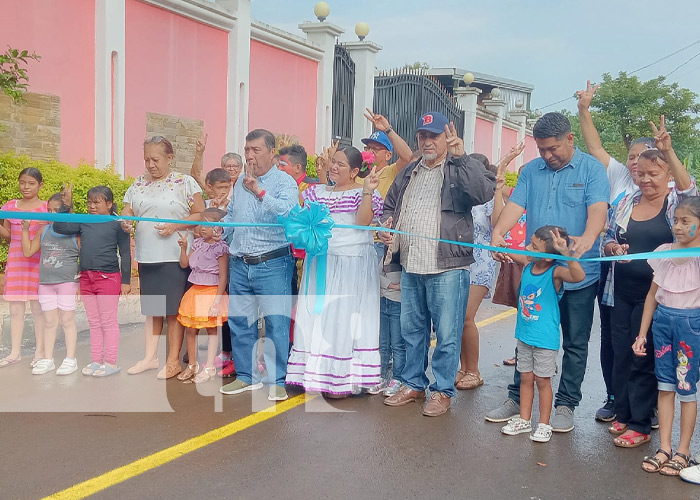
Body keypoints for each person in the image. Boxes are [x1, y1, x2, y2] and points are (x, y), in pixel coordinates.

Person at [486, 112, 609, 432]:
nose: (547, 155)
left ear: (570, 139)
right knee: (529, 333)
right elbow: (515, 206)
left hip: (577, 273)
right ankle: (517, 398)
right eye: (541, 149)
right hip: (537, 271)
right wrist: (499, 231)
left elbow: (598, 210)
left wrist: (588, 237)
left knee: (575, 342)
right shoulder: (531, 171)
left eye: (553, 148)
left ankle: (566, 404)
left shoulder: (592, 169)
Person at [379, 111, 496, 417]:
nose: (427, 140)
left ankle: (442, 391)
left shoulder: (459, 167)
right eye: (423, 135)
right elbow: (389, 205)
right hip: (411, 262)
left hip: (447, 266)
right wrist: (385, 224)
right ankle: (414, 384)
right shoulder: (410, 171)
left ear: (447, 137)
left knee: (446, 333)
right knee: (413, 331)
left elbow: (483, 193)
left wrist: (460, 158)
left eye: (434, 135)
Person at [602, 117, 696, 448]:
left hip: (658, 297)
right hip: (620, 294)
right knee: (622, 355)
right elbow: (607, 240)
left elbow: (691, 191)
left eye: (653, 174)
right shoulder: (626, 202)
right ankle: (625, 414)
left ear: (667, 175)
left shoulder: (676, 205)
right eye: (640, 174)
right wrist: (612, 247)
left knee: (643, 357)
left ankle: (642, 424)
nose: (645, 180)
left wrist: (668, 152)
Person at [577, 79, 652, 422]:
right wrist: (584, 108)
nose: (635, 163)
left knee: (646, 338)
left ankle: (644, 406)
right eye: (631, 157)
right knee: (611, 336)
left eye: (643, 157)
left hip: (654, 283)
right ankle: (614, 397)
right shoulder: (621, 179)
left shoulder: (666, 192)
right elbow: (595, 147)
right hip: (613, 275)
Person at [286, 147, 383, 397]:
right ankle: (315, 373)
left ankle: (341, 378)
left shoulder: (364, 192)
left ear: (354, 171)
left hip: (351, 264)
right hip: (320, 262)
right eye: (333, 162)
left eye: (340, 164)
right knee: (318, 315)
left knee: (343, 316)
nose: (334, 167)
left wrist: (367, 192)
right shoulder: (315, 192)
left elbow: (363, 223)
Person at [219, 129, 299, 402]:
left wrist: (259, 191)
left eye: (256, 150)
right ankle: (246, 376)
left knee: (276, 323)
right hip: (240, 263)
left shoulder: (284, 182)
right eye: (247, 149)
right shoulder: (239, 181)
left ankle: (277, 380)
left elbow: (289, 212)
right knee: (240, 322)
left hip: (273, 263)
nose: (250, 155)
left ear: (272, 152)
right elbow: (232, 215)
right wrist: (219, 229)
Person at [122, 136, 205, 379]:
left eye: (155, 159)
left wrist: (175, 225)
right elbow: (129, 208)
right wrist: (127, 219)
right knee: (153, 310)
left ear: (170, 158)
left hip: (173, 257)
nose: (150, 164)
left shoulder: (185, 182)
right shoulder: (138, 183)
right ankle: (150, 357)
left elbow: (200, 214)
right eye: (146, 159)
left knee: (173, 311)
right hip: (147, 257)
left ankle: (172, 361)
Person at [632, 197, 700, 477]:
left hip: (690, 328)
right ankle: (664, 448)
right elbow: (651, 297)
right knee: (665, 386)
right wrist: (641, 334)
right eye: (676, 221)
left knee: (687, 389)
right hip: (661, 325)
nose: (679, 227)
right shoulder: (664, 253)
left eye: (687, 222)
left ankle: (683, 451)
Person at [501, 226, 585, 443]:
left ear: (547, 256)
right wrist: (501, 245)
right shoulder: (529, 265)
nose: (528, 247)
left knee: (542, 381)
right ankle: (524, 419)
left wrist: (566, 253)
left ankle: (544, 424)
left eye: (534, 246)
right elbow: (515, 253)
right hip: (525, 336)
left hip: (545, 340)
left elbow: (578, 275)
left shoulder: (554, 272)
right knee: (526, 378)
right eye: (530, 243)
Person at [456, 144, 523, 390]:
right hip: (459, 260)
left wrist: (496, 187)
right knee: (458, 319)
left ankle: (474, 370)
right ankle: (463, 368)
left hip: (481, 262)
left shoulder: (488, 197)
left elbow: (497, 222)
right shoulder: (462, 195)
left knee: (466, 317)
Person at [358, 110, 412, 397]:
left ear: (387, 157)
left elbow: (408, 157)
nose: (369, 153)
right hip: (361, 251)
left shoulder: (392, 172)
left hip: (386, 248)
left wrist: (388, 130)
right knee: (373, 313)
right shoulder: (358, 177)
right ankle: (375, 369)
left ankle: (397, 373)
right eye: (367, 148)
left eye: (376, 149)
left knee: (393, 313)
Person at [53, 185, 132, 377]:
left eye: (97, 203)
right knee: (94, 322)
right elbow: (59, 226)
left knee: (108, 322)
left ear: (109, 203)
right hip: (87, 278)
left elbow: (125, 253)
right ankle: (97, 360)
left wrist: (126, 280)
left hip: (108, 277)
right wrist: (66, 205)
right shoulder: (84, 221)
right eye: (89, 202)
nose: (92, 206)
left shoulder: (117, 223)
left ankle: (111, 362)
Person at [21, 193, 79, 375]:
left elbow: (84, 258)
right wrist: (24, 230)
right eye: (49, 210)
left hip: (67, 283)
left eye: (57, 210)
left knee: (67, 320)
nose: (52, 214)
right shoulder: (43, 231)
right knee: (49, 322)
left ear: (66, 211)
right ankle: (48, 359)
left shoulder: (75, 233)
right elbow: (29, 251)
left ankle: (71, 359)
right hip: (46, 283)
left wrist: (81, 283)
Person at [176, 208, 229, 384]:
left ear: (218, 227)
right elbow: (185, 264)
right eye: (202, 223)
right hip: (195, 290)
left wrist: (217, 301)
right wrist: (183, 248)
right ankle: (192, 364)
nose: (203, 228)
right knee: (190, 329)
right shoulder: (197, 243)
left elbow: (223, 276)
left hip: (211, 290)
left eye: (208, 224)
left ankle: (209, 367)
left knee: (212, 329)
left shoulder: (220, 248)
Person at [0, 167, 47, 367]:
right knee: (16, 310)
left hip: (38, 263)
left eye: (31, 183)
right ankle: (15, 353)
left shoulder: (46, 208)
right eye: (22, 182)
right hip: (16, 261)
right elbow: (9, 235)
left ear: (40, 185)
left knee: (38, 309)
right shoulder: (9, 206)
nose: (25, 187)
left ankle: (40, 351)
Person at [190, 130, 243, 201]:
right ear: (222, 167)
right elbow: (197, 175)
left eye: (235, 166)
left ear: (240, 168)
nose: (231, 169)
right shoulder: (215, 181)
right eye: (228, 166)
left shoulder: (245, 183)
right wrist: (199, 152)